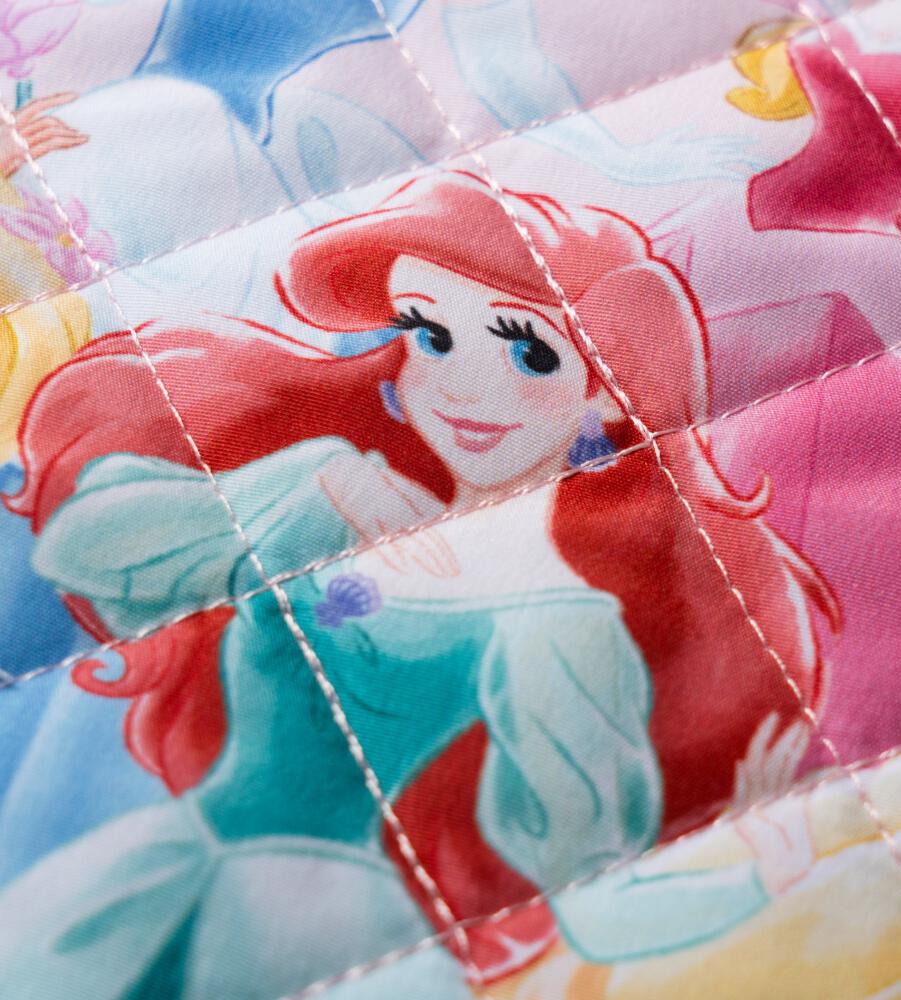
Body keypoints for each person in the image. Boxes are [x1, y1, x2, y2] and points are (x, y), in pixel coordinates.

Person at [0, 171, 837, 995]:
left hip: (324, 927)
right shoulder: (335, 486)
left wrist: (754, 874)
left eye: (530, 353)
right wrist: (306, 490)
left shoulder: (561, 623)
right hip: (145, 874)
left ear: (606, 392)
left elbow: (585, 887)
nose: (464, 387)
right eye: (431, 336)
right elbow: (79, 550)